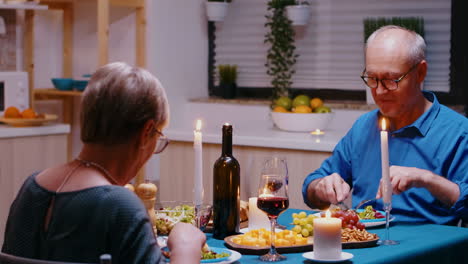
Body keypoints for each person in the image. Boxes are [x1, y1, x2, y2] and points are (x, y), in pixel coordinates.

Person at [2, 62, 206, 263]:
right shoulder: (121, 207)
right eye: (158, 138)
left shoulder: (30, 189)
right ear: (146, 133)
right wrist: (185, 246)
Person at [302, 25, 468, 225]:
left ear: (421, 72)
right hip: (363, 245)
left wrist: (427, 178)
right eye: (372, 79)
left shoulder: (458, 132)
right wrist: (321, 186)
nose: (379, 92)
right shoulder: (364, 126)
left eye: (390, 80)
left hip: (426, 249)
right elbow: (311, 188)